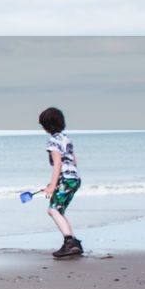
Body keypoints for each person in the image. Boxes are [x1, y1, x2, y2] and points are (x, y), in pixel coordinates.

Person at [39, 106, 83, 257]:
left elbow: (57, 163)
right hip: (75, 178)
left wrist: (52, 186)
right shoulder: (66, 139)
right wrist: (57, 183)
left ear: (46, 126)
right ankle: (74, 242)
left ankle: (69, 242)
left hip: (65, 178)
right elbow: (73, 160)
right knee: (59, 210)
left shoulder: (53, 141)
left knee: (53, 210)